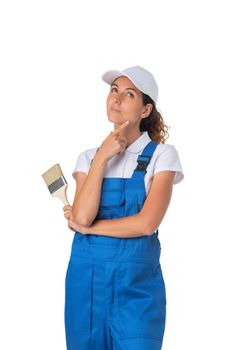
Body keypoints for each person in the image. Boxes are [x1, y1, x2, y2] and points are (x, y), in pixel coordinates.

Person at [63, 65, 184, 350]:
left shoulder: (162, 156)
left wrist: (87, 229)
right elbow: (81, 215)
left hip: (136, 285)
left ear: (145, 110)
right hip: (86, 280)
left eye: (129, 94)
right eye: (113, 90)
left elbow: (146, 223)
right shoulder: (89, 157)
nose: (116, 99)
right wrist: (103, 156)